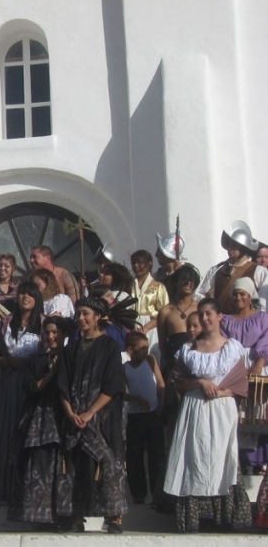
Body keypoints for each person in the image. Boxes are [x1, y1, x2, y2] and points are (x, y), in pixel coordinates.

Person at [163, 298, 251, 533]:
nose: (205, 318)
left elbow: (242, 384)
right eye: (201, 314)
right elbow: (178, 379)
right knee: (195, 456)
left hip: (221, 408)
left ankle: (224, 517)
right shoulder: (190, 349)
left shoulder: (232, 348)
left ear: (220, 316)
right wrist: (200, 381)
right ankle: (195, 517)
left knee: (222, 457)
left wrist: (221, 390)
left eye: (209, 313)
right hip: (195, 407)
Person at [57, 296, 127, 534]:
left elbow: (114, 384)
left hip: (102, 416)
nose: (81, 318)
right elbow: (62, 385)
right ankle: (75, 515)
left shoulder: (109, 347)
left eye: (86, 313)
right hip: (74, 417)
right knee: (74, 465)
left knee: (108, 461)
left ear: (97, 317)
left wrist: (90, 412)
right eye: (78, 314)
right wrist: (70, 412)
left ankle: (113, 517)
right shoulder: (71, 348)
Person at [0, 281, 44, 498]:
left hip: (34, 385)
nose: (25, 297)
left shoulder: (44, 325)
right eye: (22, 293)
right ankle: (4, 484)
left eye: (30, 293)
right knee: (7, 430)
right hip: (10, 383)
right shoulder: (4, 325)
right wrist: (9, 361)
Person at [8, 316, 68, 528]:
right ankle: (39, 515)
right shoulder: (35, 361)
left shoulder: (71, 358)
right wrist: (51, 372)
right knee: (39, 467)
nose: (51, 336)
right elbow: (32, 388)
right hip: (38, 420)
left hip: (65, 419)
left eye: (55, 332)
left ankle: (65, 515)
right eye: (47, 332)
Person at [218, 277, 268, 471]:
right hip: (234, 366)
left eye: (243, 294)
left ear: (250, 297)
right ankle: (238, 464)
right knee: (237, 412)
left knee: (257, 410)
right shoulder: (226, 320)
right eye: (236, 294)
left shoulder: (262, 317)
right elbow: (222, 341)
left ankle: (259, 463)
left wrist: (259, 363)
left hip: (257, 365)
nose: (239, 297)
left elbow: (266, 338)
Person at [123, 331, 165, 506]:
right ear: (130, 350)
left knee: (156, 456)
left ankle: (157, 493)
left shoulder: (150, 361)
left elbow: (161, 384)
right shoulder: (124, 368)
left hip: (153, 414)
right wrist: (135, 399)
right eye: (141, 349)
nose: (145, 352)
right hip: (135, 416)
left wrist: (160, 407)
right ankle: (138, 494)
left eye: (146, 348)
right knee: (134, 456)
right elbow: (120, 393)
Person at [197, 220, 268, 313]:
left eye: (234, 244)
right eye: (229, 244)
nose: (230, 247)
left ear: (244, 247)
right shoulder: (216, 270)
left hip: (247, 324)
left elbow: (262, 304)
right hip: (221, 323)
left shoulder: (259, 271)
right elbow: (199, 295)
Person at [131, 250, 169, 334]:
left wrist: (146, 327)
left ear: (149, 263)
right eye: (134, 263)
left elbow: (164, 313)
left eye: (140, 263)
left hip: (152, 328)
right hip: (131, 327)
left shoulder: (158, 287)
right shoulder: (129, 286)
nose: (136, 266)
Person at [153, 232, 186, 298]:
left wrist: (182, 273)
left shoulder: (189, 273)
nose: (156, 255)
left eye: (159, 251)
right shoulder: (158, 275)